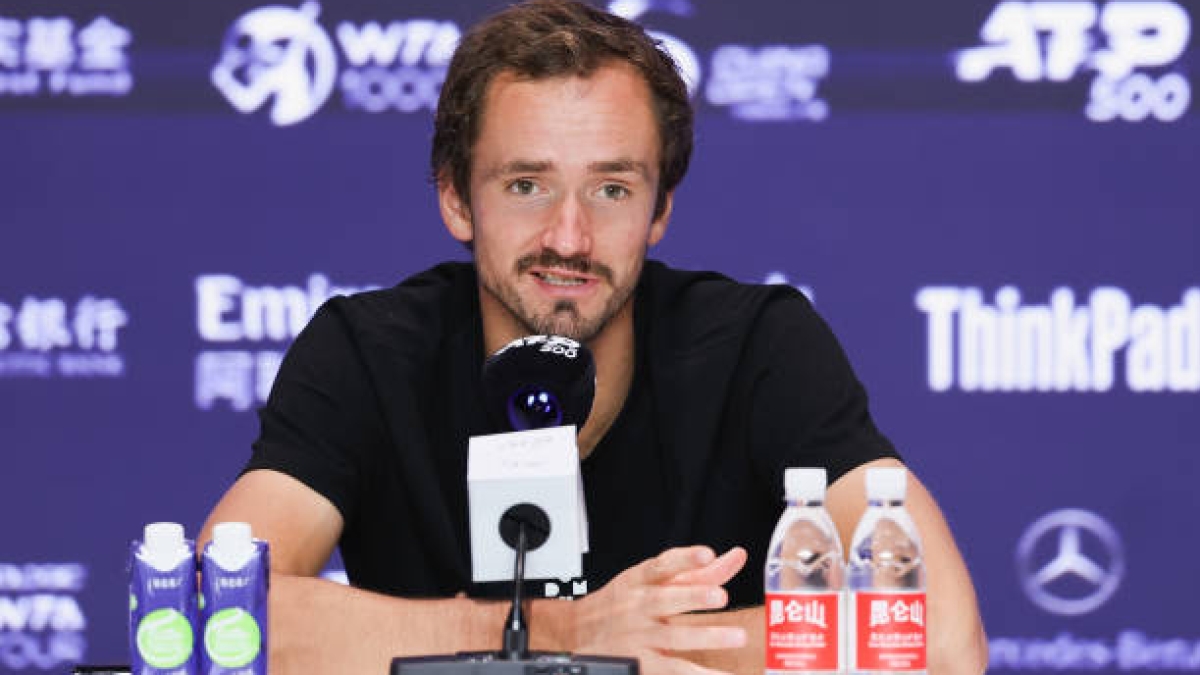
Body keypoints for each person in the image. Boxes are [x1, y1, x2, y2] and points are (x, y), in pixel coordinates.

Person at [199, 1, 988, 673]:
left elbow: (945, 639)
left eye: (612, 188)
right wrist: (559, 638)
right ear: (456, 199)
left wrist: (635, 648)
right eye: (526, 185)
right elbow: (213, 606)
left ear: (659, 212)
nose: (568, 236)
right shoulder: (368, 351)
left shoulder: (758, 343)